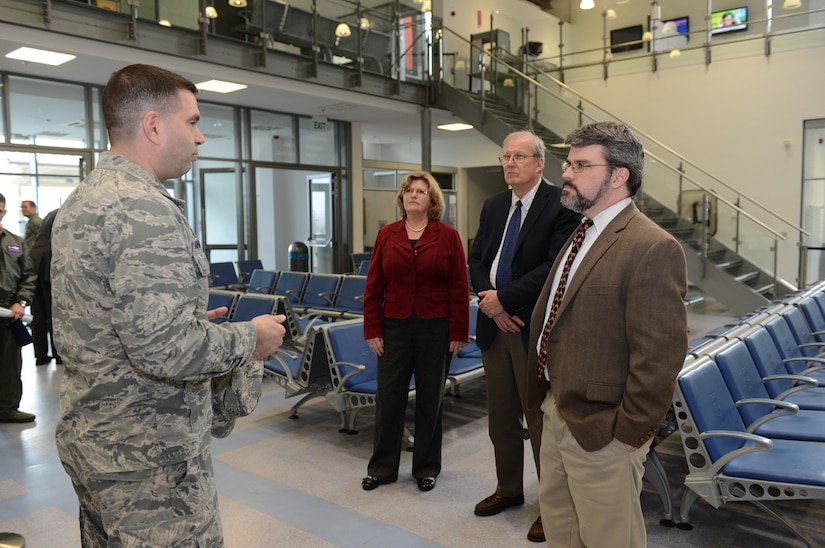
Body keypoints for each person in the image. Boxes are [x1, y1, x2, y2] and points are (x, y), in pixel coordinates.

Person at [51, 63, 287, 547]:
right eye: (193, 121)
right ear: (154, 126)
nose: (200, 138)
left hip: (97, 444)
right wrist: (251, 338)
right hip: (148, 462)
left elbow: (109, 318)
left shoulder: (84, 199)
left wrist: (183, 321)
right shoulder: (144, 209)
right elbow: (165, 351)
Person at [526, 121, 688, 547]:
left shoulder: (651, 246)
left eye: (581, 165)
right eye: (568, 163)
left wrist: (627, 438)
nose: (566, 173)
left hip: (603, 431)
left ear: (618, 176)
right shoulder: (581, 233)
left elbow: (659, 357)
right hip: (556, 411)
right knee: (562, 531)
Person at [468, 130, 580, 543]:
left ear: (539, 164)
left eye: (518, 157)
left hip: (530, 326)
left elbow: (553, 267)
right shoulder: (494, 205)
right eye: (505, 157)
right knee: (501, 419)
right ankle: (509, 490)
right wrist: (488, 301)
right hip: (494, 327)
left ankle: (549, 507)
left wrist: (505, 303)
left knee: (539, 420)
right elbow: (477, 258)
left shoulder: (561, 204)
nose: (509, 164)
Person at [361, 171, 469, 493]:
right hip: (393, 326)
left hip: (434, 327)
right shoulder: (386, 235)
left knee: (430, 399)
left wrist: (458, 331)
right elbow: (374, 285)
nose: (413, 195)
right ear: (402, 198)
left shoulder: (448, 236)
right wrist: (372, 328)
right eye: (409, 190)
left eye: (421, 191)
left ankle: (426, 467)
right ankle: (381, 468)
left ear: (432, 200)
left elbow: (459, 288)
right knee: (389, 398)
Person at [0, 192, 37, 423]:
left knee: (9, 365)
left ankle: (7, 409)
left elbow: (29, 275)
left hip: (8, 313)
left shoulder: (15, 242)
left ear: (3, 212)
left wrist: (20, 302)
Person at [28, 208, 60, 366]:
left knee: (38, 313)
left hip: (34, 260)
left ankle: (41, 355)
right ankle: (58, 354)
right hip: (47, 261)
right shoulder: (65, 212)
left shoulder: (52, 213)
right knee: (53, 312)